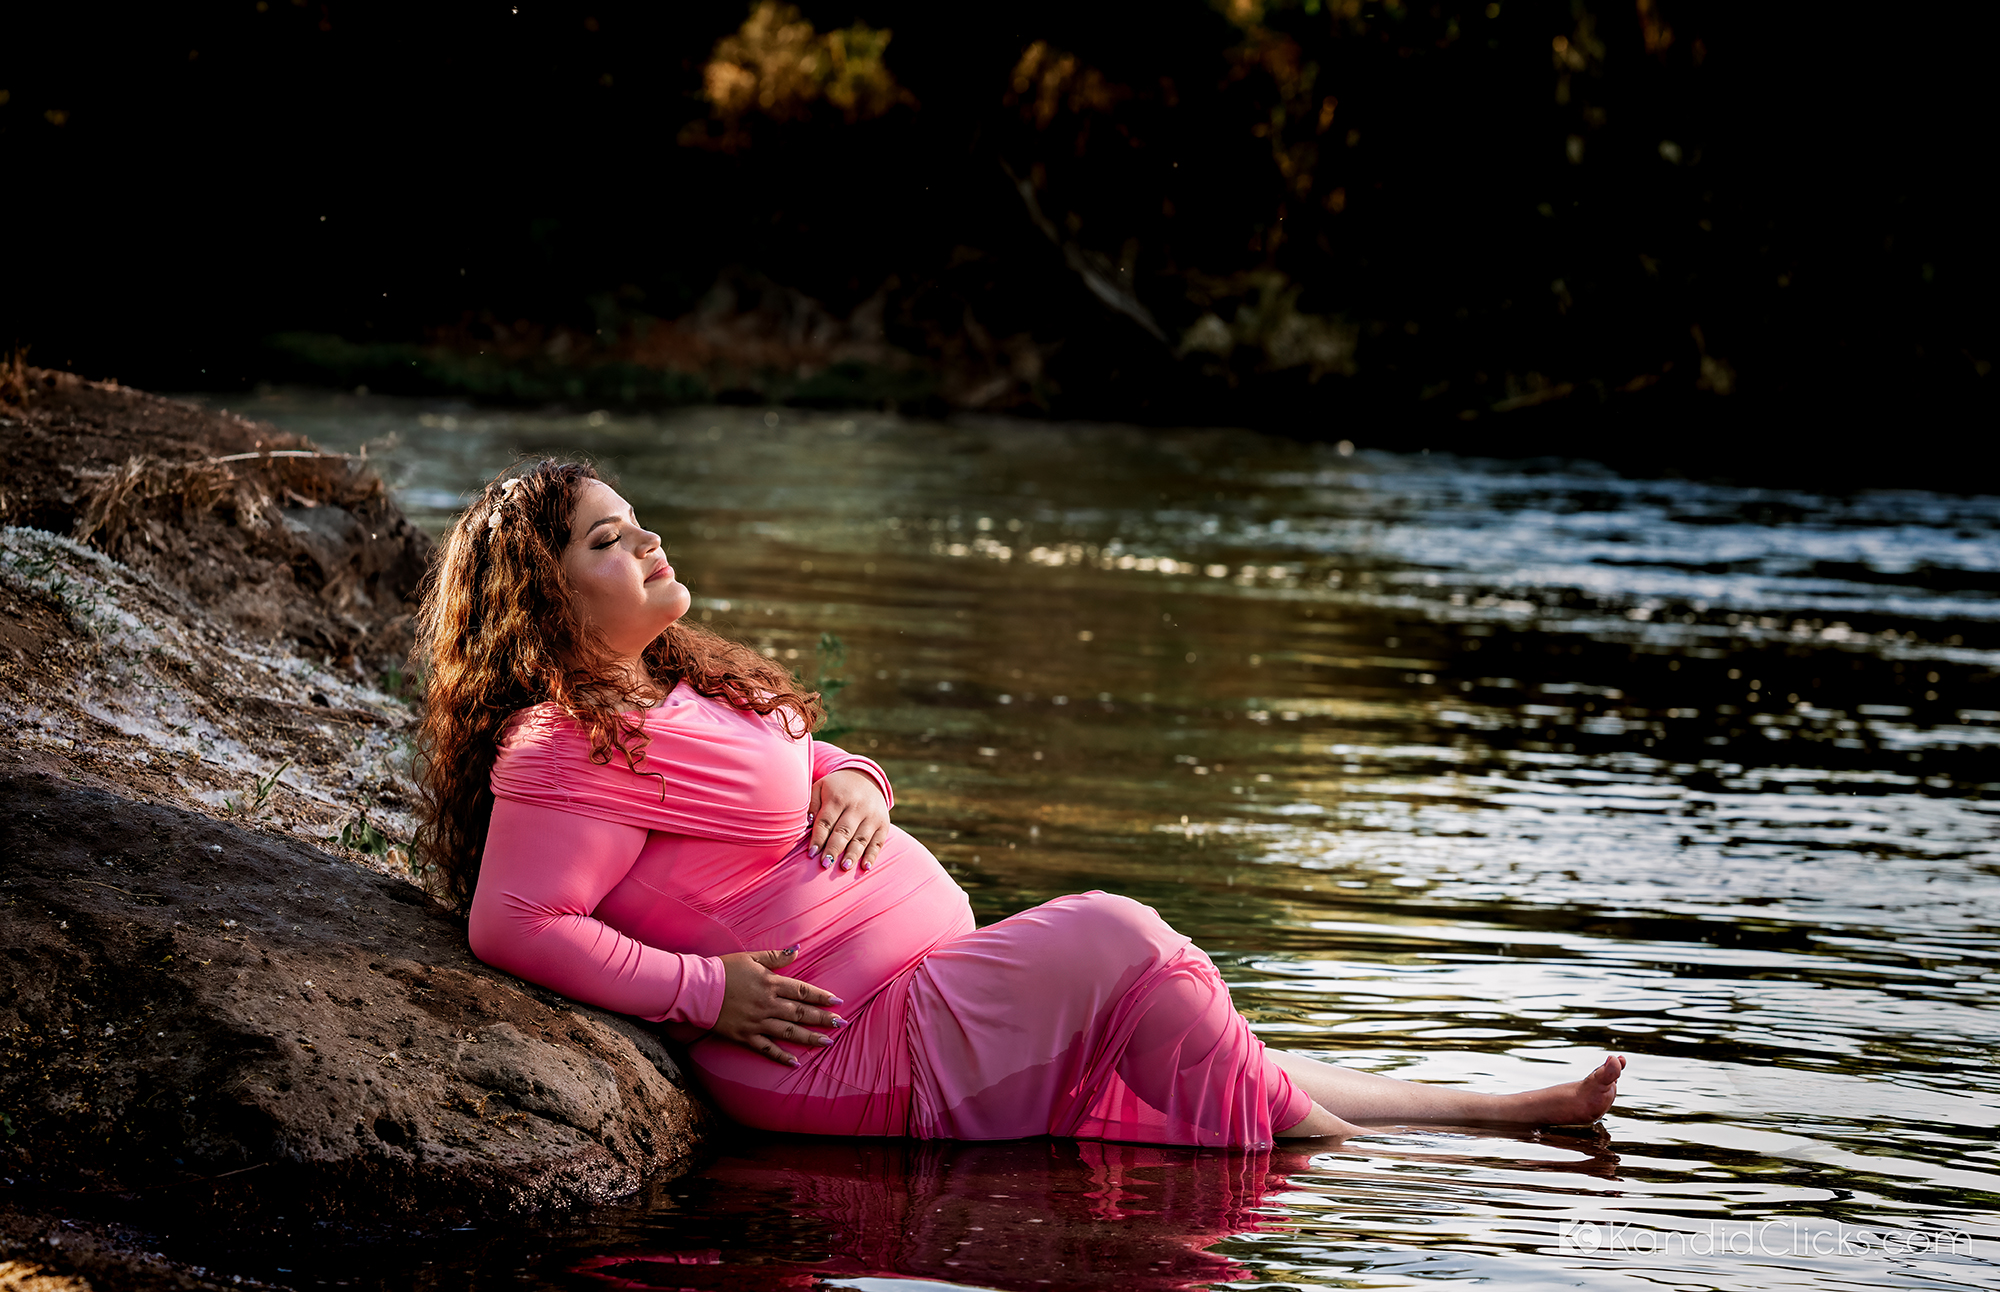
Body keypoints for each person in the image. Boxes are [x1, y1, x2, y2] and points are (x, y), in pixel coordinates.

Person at [413, 458, 1625, 1147]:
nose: (651, 541)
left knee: (1193, 1024)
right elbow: (516, 925)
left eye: (638, 522)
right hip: (849, 1045)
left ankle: (1486, 1110)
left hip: (918, 1001)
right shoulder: (562, 738)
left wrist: (855, 779)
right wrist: (705, 991)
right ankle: (1345, 1169)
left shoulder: (665, 684)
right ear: (545, 599)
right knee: (1119, 937)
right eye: (610, 541)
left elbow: (783, 769)